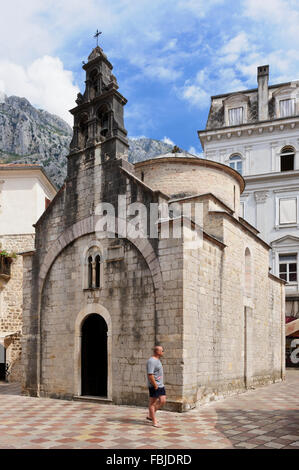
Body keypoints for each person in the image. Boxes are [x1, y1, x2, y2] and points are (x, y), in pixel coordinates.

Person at [146, 345, 166, 428]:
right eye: (162, 350)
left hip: (160, 385)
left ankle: (151, 415)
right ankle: (154, 421)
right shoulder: (151, 361)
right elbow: (150, 375)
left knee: (162, 401)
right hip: (155, 386)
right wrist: (155, 386)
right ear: (157, 352)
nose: (163, 352)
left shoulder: (158, 360)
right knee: (152, 403)